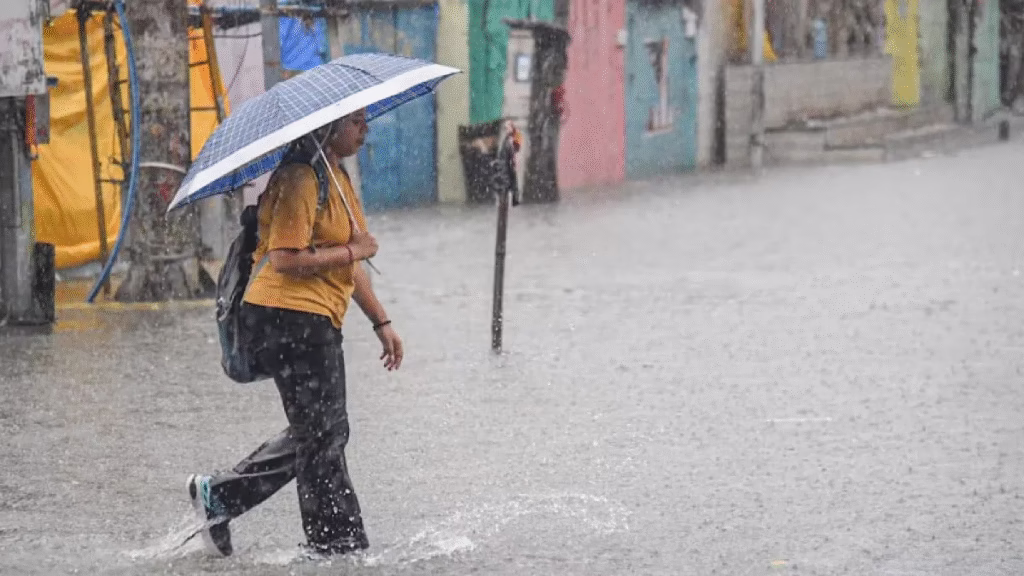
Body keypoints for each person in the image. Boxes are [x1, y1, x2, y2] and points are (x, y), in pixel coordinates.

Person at [185, 108, 403, 558]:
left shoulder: (336, 177)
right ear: (330, 127)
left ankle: (223, 497)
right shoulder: (302, 177)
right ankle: (335, 543)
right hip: (287, 317)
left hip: (314, 317)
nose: (366, 129)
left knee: (320, 430)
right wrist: (350, 248)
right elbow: (285, 258)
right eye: (357, 122)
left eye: (365, 121)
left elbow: (351, 262)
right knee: (324, 433)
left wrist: (381, 321)